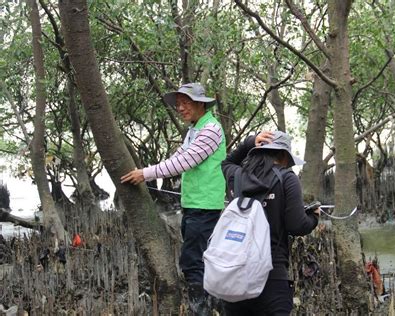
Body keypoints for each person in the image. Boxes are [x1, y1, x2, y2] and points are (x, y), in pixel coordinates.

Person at [121, 82, 226, 315]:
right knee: (200, 259)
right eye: (178, 104)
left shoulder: (211, 129)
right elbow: (178, 156)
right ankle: (212, 306)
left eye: (186, 103)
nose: (181, 108)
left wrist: (145, 173)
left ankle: (203, 310)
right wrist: (146, 170)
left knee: (192, 262)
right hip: (193, 204)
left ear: (201, 103)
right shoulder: (195, 129)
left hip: (205, 205)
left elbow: (185, 162)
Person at [221, 130, 320, 315]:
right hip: (271, 274)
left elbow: (227, 162)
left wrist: (249, 142)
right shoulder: (287, 178)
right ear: (283, 154)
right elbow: (297, 225)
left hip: (235, 275)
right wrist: (314, 217)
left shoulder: (237, 176)